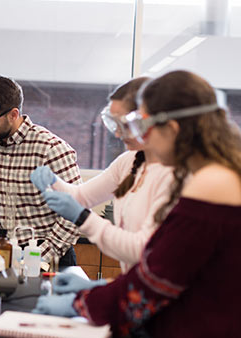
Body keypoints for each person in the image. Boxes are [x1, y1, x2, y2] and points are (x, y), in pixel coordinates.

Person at [34, 70, 241, 337]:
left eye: (142, 125)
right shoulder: (219, 173)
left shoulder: (211, 183)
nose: (140, 138)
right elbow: (163, 267)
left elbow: (156, 279)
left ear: (173, 129)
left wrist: (83, 302)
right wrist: (100, 290)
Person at [30, 77, 173, 273]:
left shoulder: (173, 175)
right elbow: (81, 196)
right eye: (113, 124)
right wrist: (54, 181)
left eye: (122, 124)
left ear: (145, 121)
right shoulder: (128, 161)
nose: (117, 134)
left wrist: (83, 218)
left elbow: (142, 249)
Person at [0, 76, 81, 267]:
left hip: (51, 257)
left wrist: (37, 258)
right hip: (6, 253)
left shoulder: (51, 150)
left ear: (13, 115)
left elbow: (75, 214)